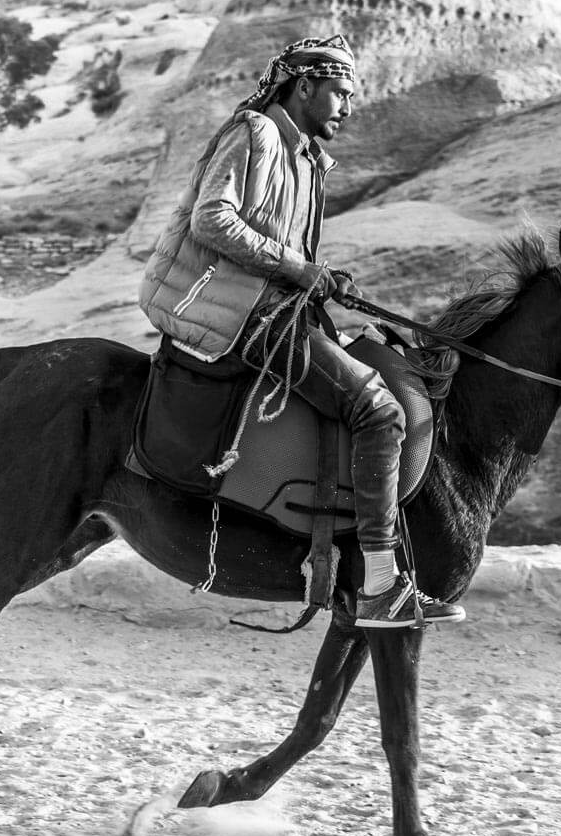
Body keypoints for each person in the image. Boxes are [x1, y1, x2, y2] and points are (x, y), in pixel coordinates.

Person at [139, 35, 464, 630]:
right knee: (381, 414)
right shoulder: (257, 133)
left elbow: (282, 250)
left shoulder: (306, 156)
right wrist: (301, 269)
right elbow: (211, 219)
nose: (346, 107)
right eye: (340, 92)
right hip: (240, 312)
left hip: (273, 305)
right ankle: (379, 585)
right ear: (305, 85)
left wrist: (322, 281)